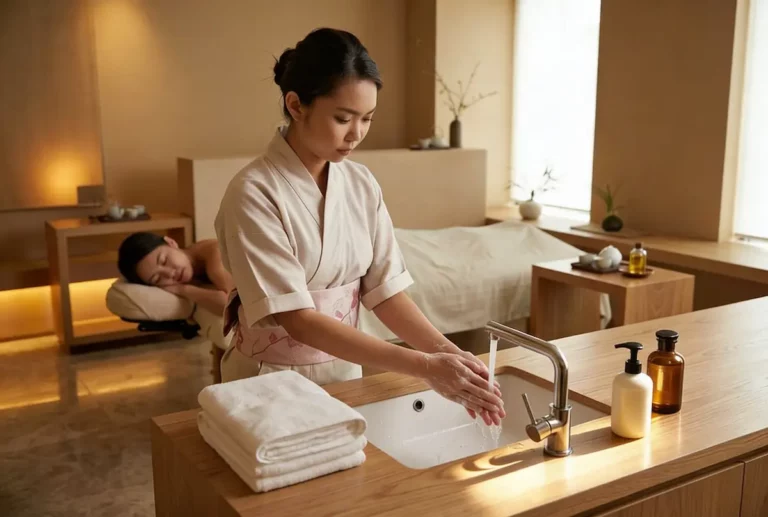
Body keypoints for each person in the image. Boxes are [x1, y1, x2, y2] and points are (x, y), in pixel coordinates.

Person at [214, 28, 504, 425]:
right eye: (342, 118)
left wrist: (448, 354)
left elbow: (385, 292)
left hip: (345, 371)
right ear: (296, 105)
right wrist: (424, 366)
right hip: (270, 382)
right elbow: (297, 318)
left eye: (367, 119)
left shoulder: (361, 183)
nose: (357, 135)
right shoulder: (252, 192)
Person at [117, 232, 234, 316]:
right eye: (157, 278)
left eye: (164, 260)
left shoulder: (215, 259)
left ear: (171, 242)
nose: (169, 274)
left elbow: (234, 307)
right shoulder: (196, 263)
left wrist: (183, 290)